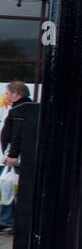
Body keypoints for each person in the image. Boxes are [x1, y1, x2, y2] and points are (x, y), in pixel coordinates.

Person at [0, 81, 35, 233]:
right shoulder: (24, 108)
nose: (6, 96)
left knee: (13, 188)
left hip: (18, 157)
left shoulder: (21, 110)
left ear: (16, 94)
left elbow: (18, 135)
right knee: (11, 187)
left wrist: (13, 154)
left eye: (8, 93)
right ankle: (10, 220)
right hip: (17, 155)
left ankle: (10, 220)